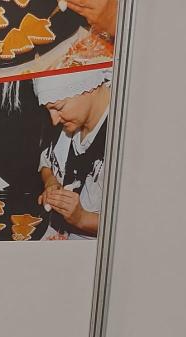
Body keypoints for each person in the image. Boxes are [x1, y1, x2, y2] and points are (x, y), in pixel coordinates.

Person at [36, 69, 111, 240]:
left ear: (88, 88)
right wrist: (51, 182)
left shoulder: (124, 139)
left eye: (59, 108)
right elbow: (47, 161)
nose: (54, 120)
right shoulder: (70, 122)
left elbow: (132, 225)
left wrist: (82, 219)